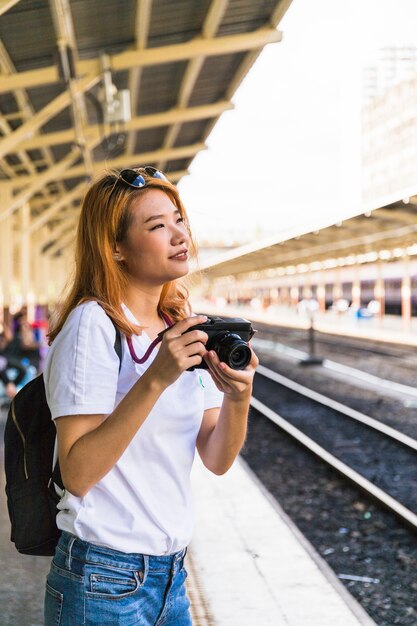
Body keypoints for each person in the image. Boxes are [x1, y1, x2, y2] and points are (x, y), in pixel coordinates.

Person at [43, 166, 258, 625]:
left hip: (171, 575)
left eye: (178, 219)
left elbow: (216, 458)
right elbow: (78, 473)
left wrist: (239, 398)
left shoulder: (182, 325)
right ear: (115, 248)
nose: (179, 234)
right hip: (103, 580)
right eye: (157, 226)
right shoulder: (92, 326)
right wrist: (156, 378)